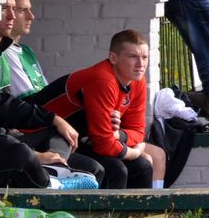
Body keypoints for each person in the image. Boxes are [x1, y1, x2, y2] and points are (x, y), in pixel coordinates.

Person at [0, 0, 102, 189]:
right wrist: (36, 154)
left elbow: (2, 106)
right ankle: (51, 184)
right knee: (22, 154)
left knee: (91, 165)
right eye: (4, 8)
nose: (11, 16)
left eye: (14, 9)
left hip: (9, 135)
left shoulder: (0, 54)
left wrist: (54, 119)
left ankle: (54, 171)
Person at [33, 30, 161, 188]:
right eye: (133, 56)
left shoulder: (137, 80)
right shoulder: (102, 79)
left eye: (145, 57)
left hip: (76, 138)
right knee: (116, 169)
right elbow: (103, 144)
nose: (141, 64)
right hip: (42, 136)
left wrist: (117, 134)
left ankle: (140, 206)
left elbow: (137, 130)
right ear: (113, 58)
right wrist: (134, 152)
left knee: (142, 166)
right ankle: (107, 207)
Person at [4, 0, 48, 98]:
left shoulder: (27, 50)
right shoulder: (4, 53)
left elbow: (46, 91)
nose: (31, 16)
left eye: (29, 10)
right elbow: (28, 99)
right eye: (23, 10)